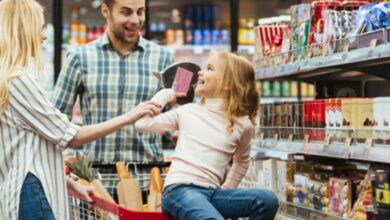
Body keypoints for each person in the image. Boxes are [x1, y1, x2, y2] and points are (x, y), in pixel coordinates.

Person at [0, 0, 161, 219]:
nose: (44, 36)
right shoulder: (19, 80)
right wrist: (129, 117)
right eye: (39, 28)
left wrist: (69, 183)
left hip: (30, 188)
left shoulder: (8, 80)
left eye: (140, 11)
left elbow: (28, 149)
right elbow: (70, 135)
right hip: (33, 191)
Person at [135, 51, 279, 220]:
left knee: (267, 200)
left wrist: (226, 190)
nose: (199, 73)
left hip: (213, 194)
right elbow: (142, 123)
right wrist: (166, 94)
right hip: (180, 191)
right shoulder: (187, 112)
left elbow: (241, 162)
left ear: (228, 84)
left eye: (209, 68)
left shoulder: (243, 123)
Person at [52, 0, 175, 163]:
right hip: (95, 181)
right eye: (126, 12)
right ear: (106, 11)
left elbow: (175, 117)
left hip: (148, 178)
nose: (135, 20)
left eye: (140, 12)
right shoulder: (80, 58)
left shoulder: (163, 58)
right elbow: (56, 123)